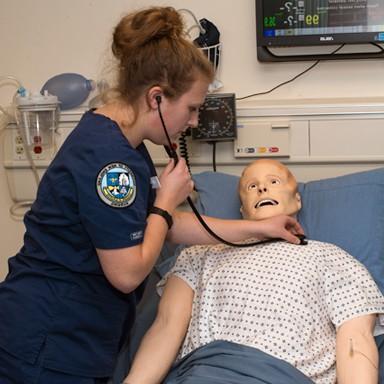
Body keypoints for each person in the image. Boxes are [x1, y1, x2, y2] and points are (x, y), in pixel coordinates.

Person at [0, 8, 303, 384]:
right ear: (156, 98)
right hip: (49, 341)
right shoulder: (111, 163)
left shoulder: (120, 140)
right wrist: (165, 201)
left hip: (68, 336)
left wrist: (259, 228)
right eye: (191, 109)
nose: (193, 122)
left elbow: (166, 226)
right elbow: (127, 272)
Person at [124, 159, 384, 384]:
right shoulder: (199, 253)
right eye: (252, 186)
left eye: (274, 182)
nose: (262, 188)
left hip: (284, 375)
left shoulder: (332, 258)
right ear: (242, 209)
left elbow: (356, 341)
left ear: (297, 199)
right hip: (206, 372)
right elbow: (166, 326)